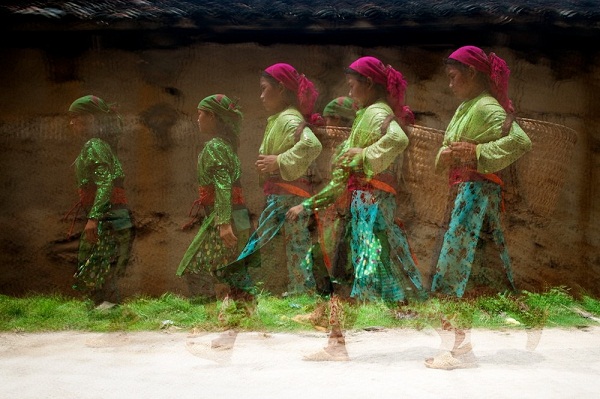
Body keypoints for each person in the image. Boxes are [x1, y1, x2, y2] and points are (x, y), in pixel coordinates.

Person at [287, 56, 427, 360]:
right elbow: (340, 181)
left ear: (368, 83)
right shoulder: (367, 114)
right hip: (363, 206)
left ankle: (338, 340)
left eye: (352, 85)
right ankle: (342, 336)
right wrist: (309, 203)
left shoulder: (377, 113)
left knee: (354, 271)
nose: (350, 93)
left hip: (369, 206)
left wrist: (363, 152)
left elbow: (398, 139)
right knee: (362, 269)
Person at [425, 46, 532, 369]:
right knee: (472, 271)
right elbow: (451, 148)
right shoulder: (467, 107)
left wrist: (477, 154)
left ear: (472, 74)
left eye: (454, 76)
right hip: (465, 196)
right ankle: (467, 345)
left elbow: (519, 141)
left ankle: (458, 348)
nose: (450, 84)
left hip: (476, 195)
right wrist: (445, 156)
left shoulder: (486, 107)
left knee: (452, 270)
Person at [216, 63, 323, 296]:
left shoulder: (289, 119)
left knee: (262, 242)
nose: (261, 95)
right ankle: (299, 292)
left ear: (281, 88)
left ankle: (243, 288)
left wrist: (279, 161)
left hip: (286, 195)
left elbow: (312, 144)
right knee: (295, 244)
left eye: (265, 89)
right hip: (286, 194)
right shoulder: (280, 118)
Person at [176, 94, 251, 300]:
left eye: (200, 114)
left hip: (225, 216)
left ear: (212, 116)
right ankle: (244, 314)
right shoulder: (226, 146)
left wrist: (223, 222)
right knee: (234, 266)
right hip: (239, 215)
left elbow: (223, 185)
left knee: (195, 267)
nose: (197, 119)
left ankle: (208, 317)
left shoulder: (215, 147)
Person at [66, 95, 134, 307]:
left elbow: (106, 184)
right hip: (114, 217)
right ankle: (106, 313)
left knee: (97, 268)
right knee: (100, 268)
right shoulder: (100, 146)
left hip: (108, 219)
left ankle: (108, 315)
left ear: (90, 120)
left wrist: (94, 219)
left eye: (76, 117)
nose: (71, 122)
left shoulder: (94, 145)